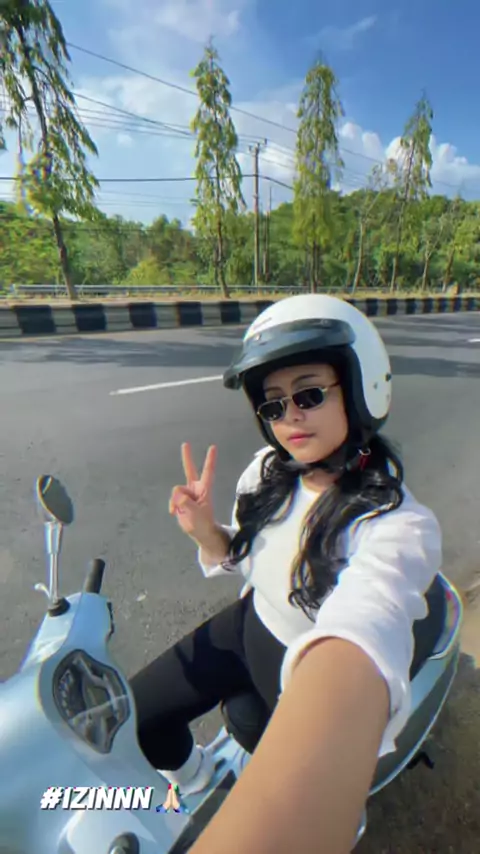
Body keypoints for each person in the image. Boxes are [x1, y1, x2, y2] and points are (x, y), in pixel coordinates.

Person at [130, 294, 442, 853]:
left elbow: (365, 627)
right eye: (273, 404)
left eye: (309, 394)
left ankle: (347, 815)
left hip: (302, 667)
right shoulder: (266, 474)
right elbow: (244, 557)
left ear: (362, 387)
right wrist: (206, 532)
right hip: (247, 624)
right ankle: (196, 778)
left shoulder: (396, 526)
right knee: (137, 715)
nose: (290, 415)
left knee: (302, 776)